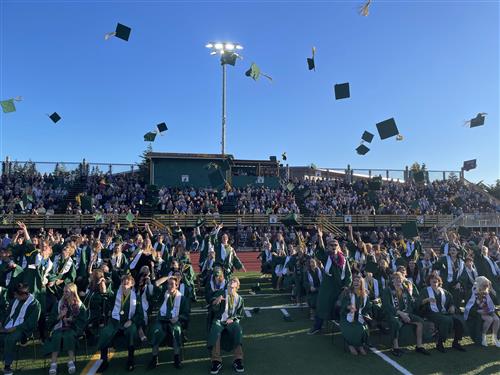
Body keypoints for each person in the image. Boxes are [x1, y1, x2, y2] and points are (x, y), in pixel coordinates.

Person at [309, 227, 351, 334]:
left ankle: (342, 327)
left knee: (338, 306)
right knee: (322, 305)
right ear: (328, 246)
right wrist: (320, 237)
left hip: (339, 288)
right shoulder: (326, 257)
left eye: (335, 245)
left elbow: (348, 274)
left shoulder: (344, 260)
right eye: (331, 245)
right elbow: (320, 250)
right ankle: (317, 327)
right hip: (327, 287)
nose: (333, 246)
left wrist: (346, 286)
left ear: (338, 247)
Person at [97, 274, 143, 372]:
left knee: (132, 331)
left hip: (129, 322)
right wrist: (103, 285)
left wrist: (132, 321)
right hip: (115, 322)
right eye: (123, 281)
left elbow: (140, 314)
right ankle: (104, 361)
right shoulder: (115, 294)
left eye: (128, 282)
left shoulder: (136, 297)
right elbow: (106, 293)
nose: (125, 283)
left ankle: (131, 360)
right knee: (105, 332)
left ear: (132, 284)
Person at [381, 272, 429, 357]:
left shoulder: (405, 289)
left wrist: (407, 313)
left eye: (400, 278)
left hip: (406, 313)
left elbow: (411, 304)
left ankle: (419, 346)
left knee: (420, 322)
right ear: (392, 280)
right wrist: (401, 314)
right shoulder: (387, 291)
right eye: (396, 278)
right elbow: (386, 306)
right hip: (392, 314)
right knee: (395, 323)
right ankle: (395, 348)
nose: (398, 280)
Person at [44, 283, 88, 375]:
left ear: (73, 292)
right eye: (64, 291)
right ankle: (53, 363)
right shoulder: (58, 304)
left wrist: (72, 320)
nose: (64, 293)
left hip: (72, 328)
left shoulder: (79, 305)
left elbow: (82, 321)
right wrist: (60, 316)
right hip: (59, 327)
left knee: (69, 335)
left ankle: (71, 361)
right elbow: (51, 320)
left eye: (67, 292)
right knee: (56, 336)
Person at [148, 276, 189, 369]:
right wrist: (167, 277)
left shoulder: (182, 298)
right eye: (168, 284)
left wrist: (178, 317)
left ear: (177, 286)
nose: (169, 286)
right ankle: (154, 358)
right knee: (156, 331)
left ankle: (177, 358)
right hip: (162, 320)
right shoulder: (164, 294)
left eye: (172, 284)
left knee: (176, 330)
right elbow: (156, 284)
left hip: (174, 321)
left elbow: (186, 314)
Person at [0, 283, 41, 375]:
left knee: (10, 339)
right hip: (8, 325)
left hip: (23, 329)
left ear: (24, 294)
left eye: (17, 295)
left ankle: (7, 366)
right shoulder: (15, 300)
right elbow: (7, 313)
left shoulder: (35, 304)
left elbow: (31, 323)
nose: (15, 296)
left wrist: (14, 328)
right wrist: (1, 322)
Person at [417, 274, 465, 352]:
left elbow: (451, 301)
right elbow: (419, 302)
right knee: (445, 320)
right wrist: (427, 300)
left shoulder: (444, 291)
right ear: (429, 281)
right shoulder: (425, 290)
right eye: (432, 279)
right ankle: (439, 343)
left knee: (458, 322)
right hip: (431, 313)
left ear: (439, 282)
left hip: (443, 313)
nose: (434, 280)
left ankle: (456, 342)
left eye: (436, 279)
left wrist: (452, 306)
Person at [207, 276, 244, 375]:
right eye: (231, 281)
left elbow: (239, 314)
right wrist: (216, 301)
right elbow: (212, 305)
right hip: (219, 320)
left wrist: (233, 319)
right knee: (216, 330)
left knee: (238, 330)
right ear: (227, 284)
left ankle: (238, 359)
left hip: (230, 321)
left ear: (237, 286)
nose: (232, 282)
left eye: (234, 281)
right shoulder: (221, 293)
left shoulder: (239, 299)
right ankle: (216, 360)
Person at [463, 276, 500, 347]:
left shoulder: (487, 291)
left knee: (497, 319)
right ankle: (483, 337)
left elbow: (496, 302)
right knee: (489, 319)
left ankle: (495, 338)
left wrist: (492, 291)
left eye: (487, 285)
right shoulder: (472, 292)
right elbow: (468, 306)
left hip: (488, 310)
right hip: (479, 311)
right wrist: (478, 311)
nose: (486, 287)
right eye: (484, 285)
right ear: (479, 284)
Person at [339, 275, 371, 355]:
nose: (356, 283)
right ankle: (350, 345)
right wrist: (348, 306)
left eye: (358, 281)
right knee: (353, 329)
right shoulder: (347, 292)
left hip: (359, 317)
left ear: (361, 283)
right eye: (355, 281)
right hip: (346, 317)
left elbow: (367, 307)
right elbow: (342, 304)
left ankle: (360, 346)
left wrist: (367, 315)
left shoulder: (365, 295)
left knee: (363, 329)